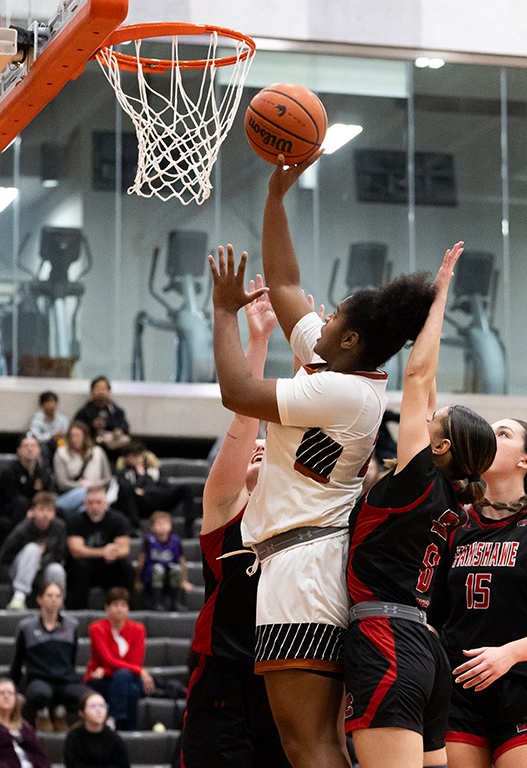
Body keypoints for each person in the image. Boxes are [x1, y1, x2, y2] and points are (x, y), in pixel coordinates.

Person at [208, 153, 435, 768]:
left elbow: (237, 392)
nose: (321, 319)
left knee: (308, 744)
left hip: (305, 567)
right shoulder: (339, 365)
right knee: (314, 742)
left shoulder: (339, 390)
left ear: (352, 339)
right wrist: (276, 197)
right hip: (307, 560)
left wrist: (224, 312)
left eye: (332, 316)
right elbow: (283, 286)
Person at [340, 243, 496, 768]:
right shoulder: (454, 500)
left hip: (386, 639)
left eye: (437, 420)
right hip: (425, 650)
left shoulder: (420, 479)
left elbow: (418, 379)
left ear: (443, 447)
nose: (427, 417)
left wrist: (439, 298)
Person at [431, 418, 527, 768]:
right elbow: (434, 617)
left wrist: (508, 655)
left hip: (524, 685)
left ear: (526, 461)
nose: (490, 436)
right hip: (460, 687)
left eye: (503, 433)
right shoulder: (455, 522)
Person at [179, 285, 288, 768]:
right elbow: (246, 418)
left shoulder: (303, 519)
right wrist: (258, 341)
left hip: (288, 673)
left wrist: (318, 367)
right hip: (224, 675)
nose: (260, 447)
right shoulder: (223, 508)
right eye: (255, 448)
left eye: (272, 447)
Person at [9, 581, 84, 731]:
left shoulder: (71, 625)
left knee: (89, 699)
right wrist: (14, 688)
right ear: (40, 599)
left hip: (65, 680)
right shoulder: (27, 627)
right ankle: (43, 713)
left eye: (57, 596)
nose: (54, 599)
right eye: (49, 595)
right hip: (40, 679)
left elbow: (72, 658)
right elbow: (17, 660)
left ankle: (60, 712)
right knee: (40, 694)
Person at [84, 588, 152, 731]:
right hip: (101, 680)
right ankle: (129, 729)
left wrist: (106, 670)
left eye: (123, 605)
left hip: (126, 677)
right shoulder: (96, 628)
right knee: (131, 689)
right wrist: (141, 671)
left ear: (128, 608)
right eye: (115, 605)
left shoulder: (138, 629)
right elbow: (107, 658)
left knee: (125, 677)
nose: (119, 609)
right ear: (107, 608)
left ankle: (113, 719)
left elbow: (135, 662)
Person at [64, 486, 133, 610]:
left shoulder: (118, 519)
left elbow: (124, 549)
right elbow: (76, 551)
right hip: (86, 568)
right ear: (84, 504)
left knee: (125, 566)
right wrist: (104, 552)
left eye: (98, 502)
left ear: (105, 503)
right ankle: (79, 609)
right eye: (90, 502)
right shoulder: (75, 521)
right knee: (79, 565)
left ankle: (125, 607)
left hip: (108, 566)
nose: (94, 506)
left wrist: (114, 554)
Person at [0, 492, 68, 612]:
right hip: (20, 571)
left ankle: (57, 603)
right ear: (33, 511)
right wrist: (30, 560)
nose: (45, 514)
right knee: (33, 549)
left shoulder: (59, 527)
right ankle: (19, 597)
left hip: (43, 570)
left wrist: (41, 563)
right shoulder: (23, 528)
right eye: (41, 509)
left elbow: (60, 555)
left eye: (49, 510)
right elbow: (4, 555)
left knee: (56, 569)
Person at [52, 423, 112, 520]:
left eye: (77, 436)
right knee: (86, 493)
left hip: (95, 494)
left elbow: (108, 478)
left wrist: (96, 484)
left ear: (85, 437)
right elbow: (62, 483)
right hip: (70, 495)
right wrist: (82, 485)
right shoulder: (61, 453)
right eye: (71, 436)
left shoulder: (98, 452)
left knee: (87, 508)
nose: (74, 439)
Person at [116, 441, 187, 522]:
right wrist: (142, 477)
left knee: (185, 489)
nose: (136, 459)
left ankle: (189, 525)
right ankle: (135, 525)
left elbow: (166, 489)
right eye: (132, 457)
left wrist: (145, 491)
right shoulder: (124, 474)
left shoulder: (154, 471)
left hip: (156, 501)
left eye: (138, 456)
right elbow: (127, 490)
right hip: (139, 506)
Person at [135, 510, 190, 611]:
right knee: (158, 569)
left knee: (176, 569)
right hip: (152, 573)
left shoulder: (176, 541)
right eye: (159, 523)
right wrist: (138, 580)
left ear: (171, 526)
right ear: (152, 527)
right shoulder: (149, 540)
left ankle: (175, 602)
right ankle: (156, 602)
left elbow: (182, 561)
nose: (162, 526)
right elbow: (141, 561)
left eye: (165, 523)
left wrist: (184, 580)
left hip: (169, 572)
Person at [0, 436, 58, 524]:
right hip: (13, 510)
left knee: (59, 510)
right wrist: (33, 510)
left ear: (39, 450)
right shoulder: (9, 472)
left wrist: (40, 510)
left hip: (38, 508)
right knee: (21, 503)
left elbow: (48, 493)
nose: (30, 449)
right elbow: (11, 499)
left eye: (33, 446)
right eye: (26, 446)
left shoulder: (43, 472)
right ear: (19, 450)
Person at [62, 690, 130, 768]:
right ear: (82, 713)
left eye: (102, 706)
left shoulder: (114, 738)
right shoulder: (74, 738)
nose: (99, 710)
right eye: (93, 706)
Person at [73, 376, 131, 457]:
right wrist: (92, 425)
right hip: (91, 446)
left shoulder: (117, 411)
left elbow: (125, 427)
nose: (101, 392)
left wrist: (112, 427)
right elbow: (75, 427)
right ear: (92, 391)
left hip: (113, 446)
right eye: (98, 388)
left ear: (109, 391)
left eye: (104, 389)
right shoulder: (84, 411)